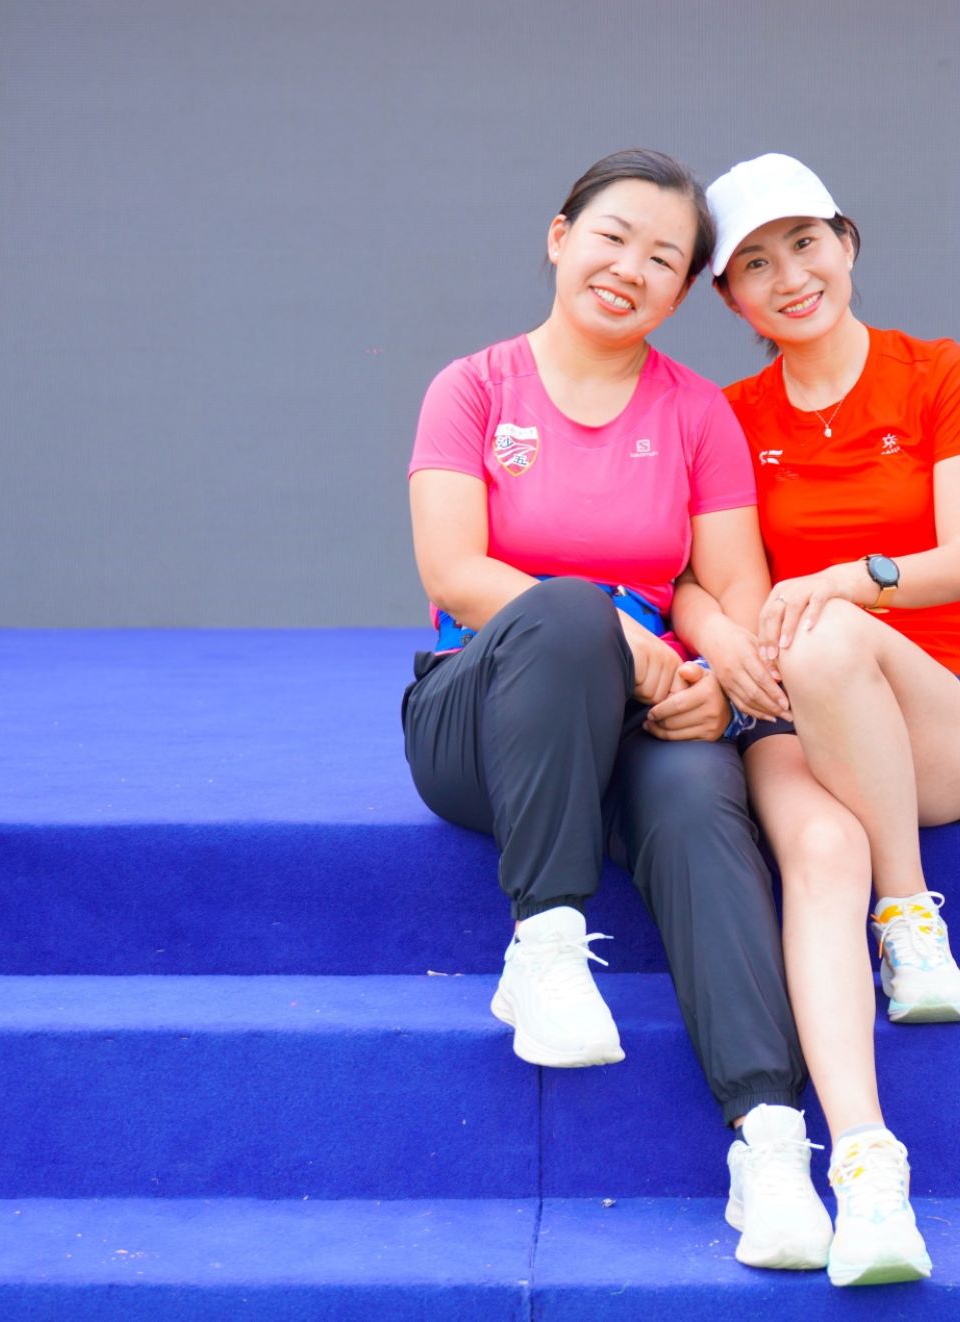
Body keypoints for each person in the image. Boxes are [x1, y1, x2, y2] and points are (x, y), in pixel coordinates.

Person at [402, 149, 835, 1272]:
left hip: (646, 718)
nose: (629, 268)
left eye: (663, 258)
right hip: (480, 716)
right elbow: (455, 571)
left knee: (698, 803)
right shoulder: (474, 388)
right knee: (560, 609)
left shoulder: (695, 413)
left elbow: (733, 586)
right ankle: (545, 946)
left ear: (681, 291)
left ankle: (771, 1143)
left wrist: (712, 681)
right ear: (559, 237)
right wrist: (612, 626)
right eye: (611, 237)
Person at [676, 152, 960, 1287]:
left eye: (805, 244)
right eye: (754, 265)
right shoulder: (728, 417)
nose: (789, 277)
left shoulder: (937, 372)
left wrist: (841, 581)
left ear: (847, 242)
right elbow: (694, 574)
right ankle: (869, 1169)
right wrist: (719, 637)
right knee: (818, 851)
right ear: (728, 298)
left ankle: (908, 910)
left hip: (934, 717)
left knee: (823, 630)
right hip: (787, 714)